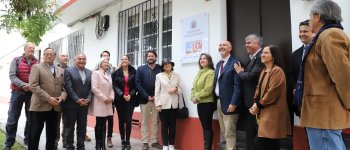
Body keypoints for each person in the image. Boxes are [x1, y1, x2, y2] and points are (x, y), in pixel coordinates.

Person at [296, 0, 350, 149]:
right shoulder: (324, 36)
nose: (309, 20)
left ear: (318, 16)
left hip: (325, 114)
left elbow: (343, 75)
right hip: (320, 113)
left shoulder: (330, 35)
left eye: (310, 16)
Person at [249, 45, 292, 150]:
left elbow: (273, 92)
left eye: (266, 53)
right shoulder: (264, 70)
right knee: (271, 144)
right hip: (263, 111)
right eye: (262, 52)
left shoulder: (277, 71)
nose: (262, 55)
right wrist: (255, 102)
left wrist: (258, 105)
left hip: (273, 113)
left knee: (261, 143)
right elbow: (258, 88)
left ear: (273, 56)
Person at [28, 47, 67, 150]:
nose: (49, 55)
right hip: (39, 106)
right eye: (47, 54)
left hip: (55, 107)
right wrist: (48, 98)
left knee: (52, 135)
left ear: (54, 56)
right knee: (34, 134)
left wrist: (61, 98)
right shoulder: (37, 67)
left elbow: (64, 88)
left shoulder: (60, 70)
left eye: (51, 54)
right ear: (43, 56)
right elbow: (33, 85)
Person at [4, 42, 38, 150]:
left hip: (31, 94)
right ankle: (8, 144)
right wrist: (23, 85)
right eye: (30, 48)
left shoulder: (38, 62)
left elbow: (40, 77)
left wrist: (31, 86)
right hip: (17, 93)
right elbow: (12, 75)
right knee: (12, 118)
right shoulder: (16, 60)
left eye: (33, 48)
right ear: (25, 49)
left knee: (31, 119)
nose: (32, 49)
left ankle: (27, 141)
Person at [233, 34, 264, 150]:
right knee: (250, 133)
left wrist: (240, 72)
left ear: (257, 43)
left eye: (248, 42)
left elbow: (252, 76)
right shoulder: (253, 58)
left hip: (256, 103)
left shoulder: (261, 56)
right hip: (249, 103)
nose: (246, 45)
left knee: (258, 134)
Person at [214, 40, 241, 150]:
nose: (221, 46)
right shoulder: (218, 64)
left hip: (230, 102)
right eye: (220, 45)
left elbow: (238, 86)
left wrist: (234, 102)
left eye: (224, 45)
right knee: (224, 130)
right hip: (219, 101)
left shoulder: (235, 62)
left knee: (230, 131)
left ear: (230, 49)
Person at [64, 53, 92, 150]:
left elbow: (90, 88)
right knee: (70, 127)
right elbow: (68, 87)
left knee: (82, 127)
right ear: (75, 60)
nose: (81, 60)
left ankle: (81, 146)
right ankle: (70, 146)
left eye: (83, 59)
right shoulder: (68, 70)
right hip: (72, 104)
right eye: (79, 59)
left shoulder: (89, 72)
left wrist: (88, 99)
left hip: (84, 104)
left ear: (86, 60)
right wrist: (77, 99)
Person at [136, 50, 163, 150]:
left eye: (152, 56)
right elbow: (138, 84)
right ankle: (145, 142)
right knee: (145, 121)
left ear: (156, 57)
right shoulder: (140, 69)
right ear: (146, 58)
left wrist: (156, 96)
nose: (150, 58)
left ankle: (155, 141)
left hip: (157, 99)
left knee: (156, 121)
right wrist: (147, 96)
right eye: (148, 56)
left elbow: (163, 83)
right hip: (144, 99)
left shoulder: (160, 68)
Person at [155, 58, 182, 150]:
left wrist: (176, 90)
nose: (167, 65)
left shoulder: (177, 76)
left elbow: (181, 90)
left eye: (169, 64)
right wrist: (157, 104)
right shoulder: (159, 76)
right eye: (165, 64)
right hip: (163, 104)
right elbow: (157, 91)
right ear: (163, 66)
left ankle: (171, 145)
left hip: (174, 105)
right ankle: (165, 145)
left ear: (171, 65)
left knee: (173, 126)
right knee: (164, 126)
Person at [111, 55, 137, 150]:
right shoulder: (115, 73)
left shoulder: (134, 71)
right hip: (119, 99)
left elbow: (136, 85)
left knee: (128, 120)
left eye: (125, 59)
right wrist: (122, 94)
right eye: (122, 59)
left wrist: (130, 94)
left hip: (131, 99)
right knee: (121, 120)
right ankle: (122, 140)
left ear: (129, 61)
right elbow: (114, 86)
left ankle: (128, 141)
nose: (124, 60)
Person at [88, 57, 114, 150]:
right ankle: (98, 145)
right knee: (99, 124)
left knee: (104, 124)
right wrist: (104, 98)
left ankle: (103, 144)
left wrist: (111, 97)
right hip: (100, 102)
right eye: (105, 62)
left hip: (108, 102)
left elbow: (111, 88)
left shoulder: (108, 74)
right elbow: (94, 88)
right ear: (100, 64)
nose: (107, 64)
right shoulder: (96, 73)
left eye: (108, 62)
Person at [191, 53, 215, 150]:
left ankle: (207, 148)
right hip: (200, 103)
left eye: (204, 58)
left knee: (207, 127)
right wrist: (192, 96)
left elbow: (208, 89)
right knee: (205, 127)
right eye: (201, 59)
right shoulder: (199, 72)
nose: (202, 60)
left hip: (207, 103)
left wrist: (196, 97)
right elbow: (193, 87)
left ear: (209, 61)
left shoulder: (211, 72)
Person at [289, 20, 313, 117]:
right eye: (300, 31)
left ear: (313, 33)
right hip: (301, 102)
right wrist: (295, 88)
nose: (302, 34)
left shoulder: (320, 50)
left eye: (305, 31)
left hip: (317, 101)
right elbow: (291, 74)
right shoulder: (296, 54)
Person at [100, 50, 115, 147]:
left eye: (107, 56)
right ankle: (100, 138)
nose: (106, 57)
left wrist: (112, 97)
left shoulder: (113, 69)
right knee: (100, 120)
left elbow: (115, 85)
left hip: (111, 99)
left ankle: (109, 138)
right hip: (100, 99)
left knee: (110, 119)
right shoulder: (96, 69)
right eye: (103, 56)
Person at [55, 52, 69, 149]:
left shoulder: (71, 69)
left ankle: (66, 142)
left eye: (66, 56)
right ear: (58, 58)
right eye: (63, 56)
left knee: (67, 123)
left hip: (69, 100)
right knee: (56, 122)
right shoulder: (54, 68)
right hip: (57, 99)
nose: (65, 57)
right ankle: (55, 142)